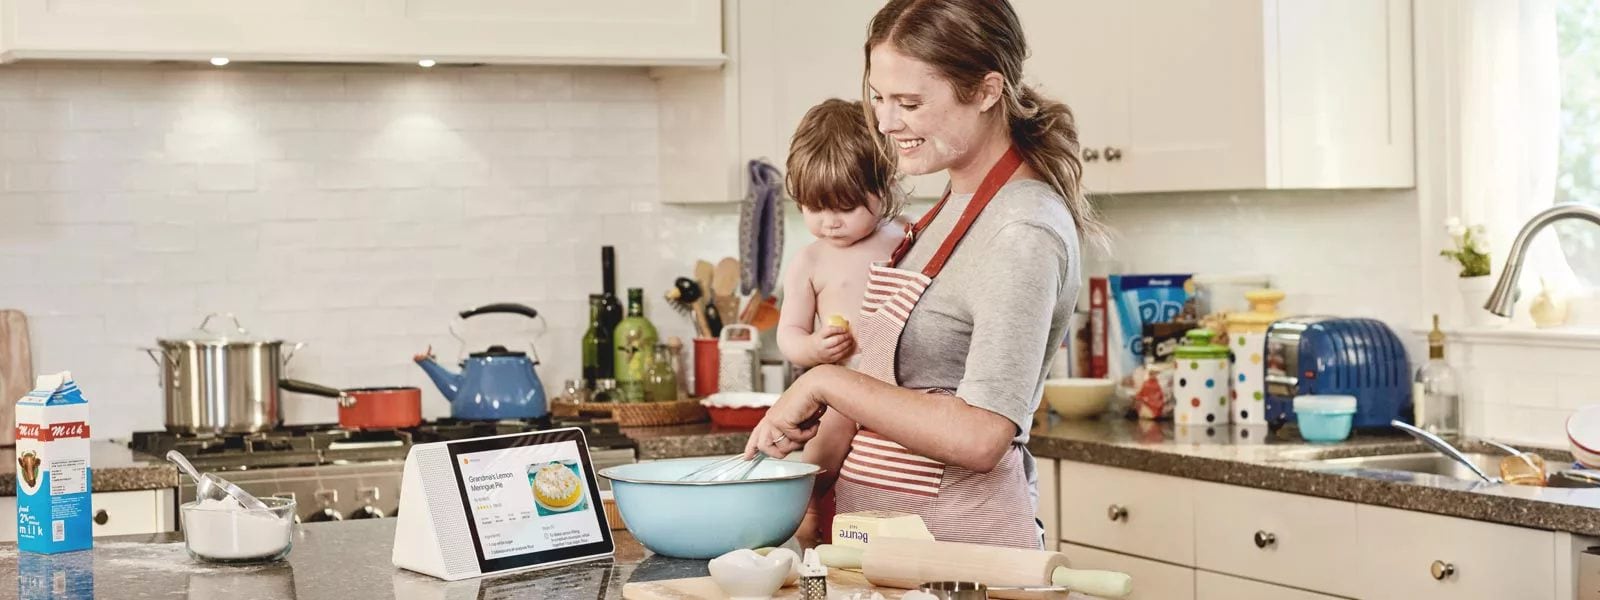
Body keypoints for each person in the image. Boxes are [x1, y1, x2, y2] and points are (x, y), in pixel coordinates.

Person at [744, 0, 1107, 550]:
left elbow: (983, 434)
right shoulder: (951, 207)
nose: (886, 124)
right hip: (894, 555)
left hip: (963, 561)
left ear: (987, 91)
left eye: (909, 103)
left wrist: (824, 381)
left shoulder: (1020, 229)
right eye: (878, 99)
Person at [775, 98, 906, 371]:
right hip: (845, 381)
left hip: (906, 390)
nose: (830, 223)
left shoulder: (909, 234)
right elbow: (789, 333)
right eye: (815, 208)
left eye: (846, 208)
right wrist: (813, 348)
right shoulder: (810, 262)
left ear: (886, 187)